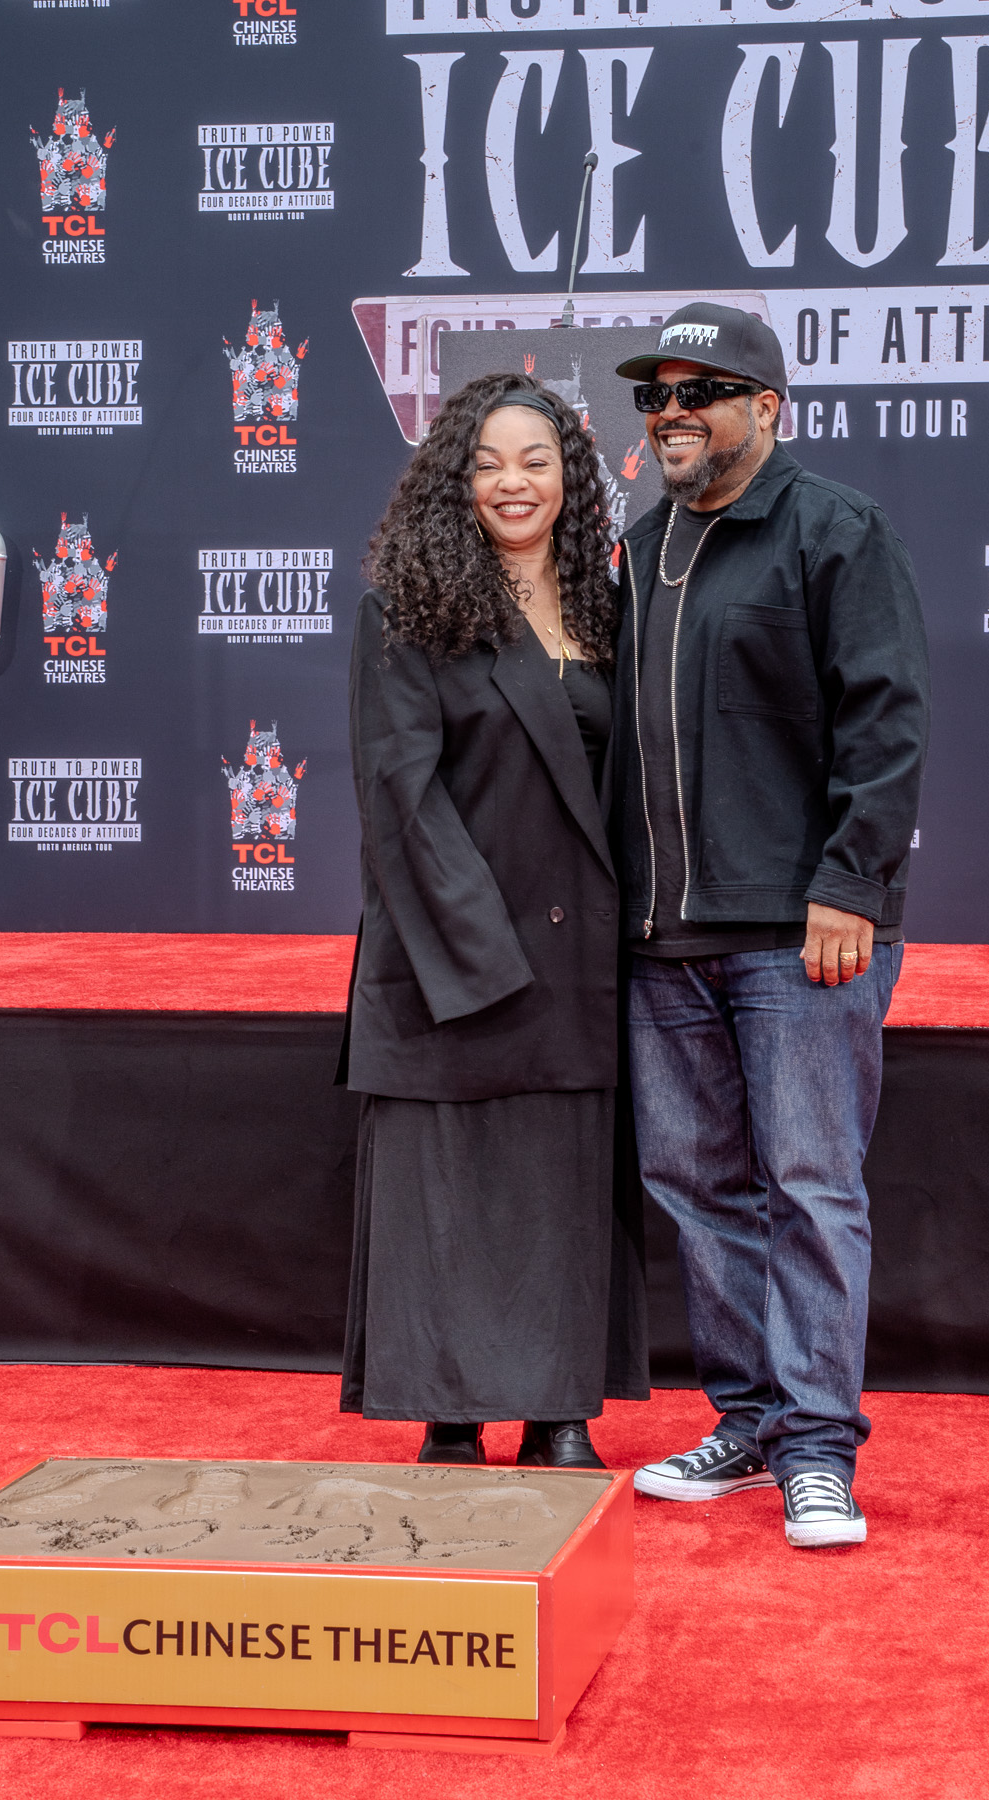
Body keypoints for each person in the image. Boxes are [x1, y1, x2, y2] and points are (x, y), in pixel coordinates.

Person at [609, 304, 929, 1545]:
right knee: (693, 1184)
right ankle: (747, 1421)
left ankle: (817, 1449)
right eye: (657, 394)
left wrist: (852, 883)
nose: (674, 411)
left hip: (803, 932)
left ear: (768, 407)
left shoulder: (833, 529)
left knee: (809, 1182)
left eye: (705, 389)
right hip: (665, 933)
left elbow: (888, 720)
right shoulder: (642, 548)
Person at [338, 370, 648, 1468]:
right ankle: (455, 1412)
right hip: (453, 962)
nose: (513, 483)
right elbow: (402, 802)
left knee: (563, 1189)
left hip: (582, 962)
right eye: (486, 464)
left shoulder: (614, 609)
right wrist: (486, 955)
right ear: (450, 483)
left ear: (575, 475)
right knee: (451, 1193)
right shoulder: (408, 613)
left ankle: (560, 1408)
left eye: (536, 460)